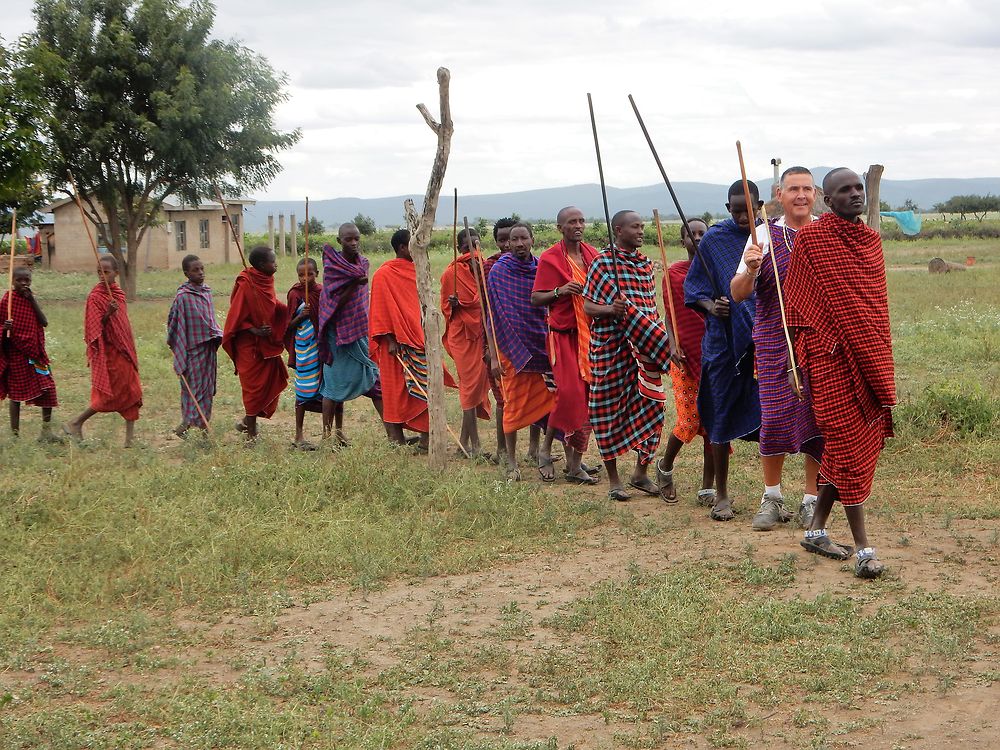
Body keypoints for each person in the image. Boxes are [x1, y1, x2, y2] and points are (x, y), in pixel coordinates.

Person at [785, 168, 895, 579]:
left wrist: (878, 353)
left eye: (858, 188)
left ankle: (815, 530)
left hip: (869, 356)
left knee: (846, 448)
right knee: (847, 444)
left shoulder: (871, 241)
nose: (854, 195)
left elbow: (874, 307)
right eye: (843, 191)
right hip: (829, 359)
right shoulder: (812, 241)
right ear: (825, 201)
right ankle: (865, 549)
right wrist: (796, 358)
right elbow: (797, 306)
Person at [730, 167, 824, 530]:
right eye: (793, 189)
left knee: (819, 421)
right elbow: (738, 292)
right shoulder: (763, 236)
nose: (801, 195)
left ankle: (811, 499)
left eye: (807, 189)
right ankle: (771, 497)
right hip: (774, 341)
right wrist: (752, 269)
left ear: (814, 194)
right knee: (773, 420)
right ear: (779, 194)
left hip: (818, 341)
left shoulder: (824, 233)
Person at [684, 181, 762, 521]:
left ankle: (772, 496)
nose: (744, 216)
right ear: (727, 208)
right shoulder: (714, 240)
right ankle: (722, 495)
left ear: (759, 205)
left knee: (774, 416)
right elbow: (695, 287)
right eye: (736, 210)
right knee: (718, 411)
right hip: (723, 340)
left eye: (749, 209)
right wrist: (711, 307)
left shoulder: (770, 237)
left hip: (764, 338)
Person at [583, 210, 672, 501]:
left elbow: (648, 306)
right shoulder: (602, 263)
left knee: (651, 406)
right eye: (635, 227)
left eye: (642, 226)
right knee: (606, 409)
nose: (641, 231)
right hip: (610, 347)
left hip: (644, 347)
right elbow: (588, 307)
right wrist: (611, 310)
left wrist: (655, 334)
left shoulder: (644, 265)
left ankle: (640, 472)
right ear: (618, 230)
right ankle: (614, 480)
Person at [531, 206, 600, 485]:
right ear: (560, 227)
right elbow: (537, 298)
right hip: (563, 334)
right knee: (568, 395)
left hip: (593, 336)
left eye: (582, 220)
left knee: (589, 399)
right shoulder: (550, 259)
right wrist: (560, 291)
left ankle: (575, 463)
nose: (578, 225)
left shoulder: (593, 255)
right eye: (572, 222)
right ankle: (546, 448)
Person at [369, 228, 455, 449]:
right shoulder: (383, 274)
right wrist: (389, 339)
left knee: (428, 387)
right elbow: (379, 309)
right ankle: (395, 439)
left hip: (421, 338)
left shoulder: (420, 271)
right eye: (415, 244)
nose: (420, 249)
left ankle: (427, 438)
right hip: (394, 345)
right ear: (402, 248)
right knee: (394, 391)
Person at [486, 222, 556, 481]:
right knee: (512, 404)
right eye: (513, 239)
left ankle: (539, 451)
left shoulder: (541, 269)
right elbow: (491, 316)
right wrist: (493, 355)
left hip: (541, 344)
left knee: (548, 402)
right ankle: (512, 462)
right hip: (510, 349)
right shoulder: (498, 272)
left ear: (532, 240)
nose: (517, 244)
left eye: (523, 238)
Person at [655, 219, 717, 505]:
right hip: (684, 356)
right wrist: (672, 343)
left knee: (714, 426)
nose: (697, 238)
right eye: (690, 234)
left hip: (714, 354)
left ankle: (708, 486)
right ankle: (664, 467)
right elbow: (669, 315)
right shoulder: (674, 274)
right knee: (690, 421)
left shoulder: (715, 271)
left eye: (702, 233)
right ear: (682, 242)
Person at [316, 223, 383, 447]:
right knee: (332, 388)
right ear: (339, 241)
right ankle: (327, 436)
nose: (353, 243)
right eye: (348, 240)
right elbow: (334, 303)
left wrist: (357, 280)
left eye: (356, 239)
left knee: (374, 381)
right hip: (338, 337)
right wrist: (354, 283)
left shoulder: (363, 264)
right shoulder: (333, 268)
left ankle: (393, 435)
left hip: (360, 333)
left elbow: (362, 302)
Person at [64, 255, 142, 446]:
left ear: (116, 273)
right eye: (99, 272)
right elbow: (93, 329)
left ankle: (129, 440)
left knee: (133, 392)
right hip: (109, 353)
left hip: (124, 351)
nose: (102, 276)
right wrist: (107, 314)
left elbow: (123, 325)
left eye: (106, 272)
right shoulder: (95, 297)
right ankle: (76, 421)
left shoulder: (119, 294)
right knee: (109, 395)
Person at [222, 246, 290, 441]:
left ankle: (246, 422)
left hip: (266, 345)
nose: (276, 263)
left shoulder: (266, 280)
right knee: (252, 389)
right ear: (261, 265)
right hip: (249, 346)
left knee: (273, 382)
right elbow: (235, 316)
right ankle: (251, 434)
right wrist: (254, 330)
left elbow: (271, 303)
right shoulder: (246, 283)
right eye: (272, 261)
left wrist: (291, 311)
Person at [441, 227, 492, 457]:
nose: (472, 251)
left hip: (482, 334)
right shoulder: (451, 273)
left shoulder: (486, 269)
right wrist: (453, 304)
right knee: (469, 388)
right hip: (462, 335)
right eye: (467, 247)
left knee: (476, 389)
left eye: (476, 245)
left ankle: (464, 443)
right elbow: (444, 306)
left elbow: (489, 300)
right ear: (459, 248)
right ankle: (476, 446)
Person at [0, 266, 61, 441]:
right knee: (16, 394)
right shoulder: (7, 301)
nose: (24, 283)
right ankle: (15, 434)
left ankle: (46, 432)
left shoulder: (30, 299)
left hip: (35, 353)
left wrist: (32, 301)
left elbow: (44, 322)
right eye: (20, 280)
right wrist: (5, 328)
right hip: (16, 353)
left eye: (27, 280)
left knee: (48, 388)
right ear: (12, 281)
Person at [166, 254, 222, 437]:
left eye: (202, 269)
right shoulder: (183, 297)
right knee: (192, 388)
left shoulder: (206, 292)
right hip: (192, 350)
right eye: (195, 270)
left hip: (208, 348)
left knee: (206, 389)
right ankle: (188, 422)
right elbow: (175, 324)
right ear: (186, 273)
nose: (200, 273)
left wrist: (217, 334)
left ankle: (204, 425)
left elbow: (210, 321)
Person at [286, 256, 323, 449]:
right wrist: (301, 316)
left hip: (321, 347)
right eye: (301, 275)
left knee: (327, 389)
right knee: (302, 389)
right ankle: (298, 434)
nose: (305, 279)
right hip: (304, 348)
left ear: (317, 274)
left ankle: (332, 433)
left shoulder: (322, 292)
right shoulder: (294, 294)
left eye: (309, 274)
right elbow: (288, 325)